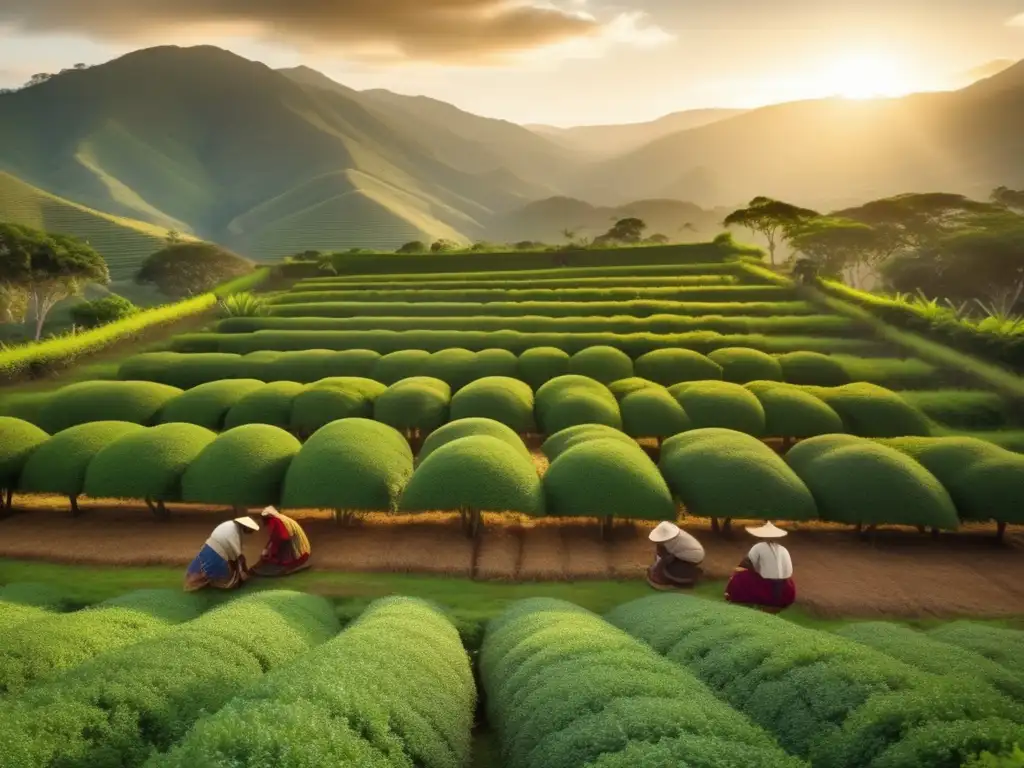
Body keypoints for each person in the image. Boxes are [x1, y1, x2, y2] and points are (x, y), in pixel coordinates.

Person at [724, 521, 796, 613]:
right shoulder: (783, 549)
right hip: (785, 589)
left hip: (767, 586)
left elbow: (746, 564)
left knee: (740, 576)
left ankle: (730, 595)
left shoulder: (758, 547)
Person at [184, 516, 259, 591]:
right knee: (219, 575)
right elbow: (237, 556)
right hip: (216, 553)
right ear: (246, 527)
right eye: (251, 530)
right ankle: (199, 583)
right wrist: (239, 573)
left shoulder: (229, 524)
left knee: (204, 567)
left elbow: (233, 551)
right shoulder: (234, 531)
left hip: (208, 548)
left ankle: (195, 582)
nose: (251, 532)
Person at [251, 506, 311, 577]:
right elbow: (274, 538)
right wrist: (266, 549)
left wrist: (271, 553)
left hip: (300, 553)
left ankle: (282, 566)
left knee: (274, 555)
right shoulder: (282, 519)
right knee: (270, 553)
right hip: (305, 552)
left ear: (267, 517)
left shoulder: (274, 520)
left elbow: (282, 538)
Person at [647, 521, 705, 590]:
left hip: (693, 558)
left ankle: (688, 578)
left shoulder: (671, 543)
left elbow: (664, 559)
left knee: (670, 569)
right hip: (683, 556)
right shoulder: (666, 543)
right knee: (665, 567)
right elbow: (660, 556)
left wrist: (656, 572)